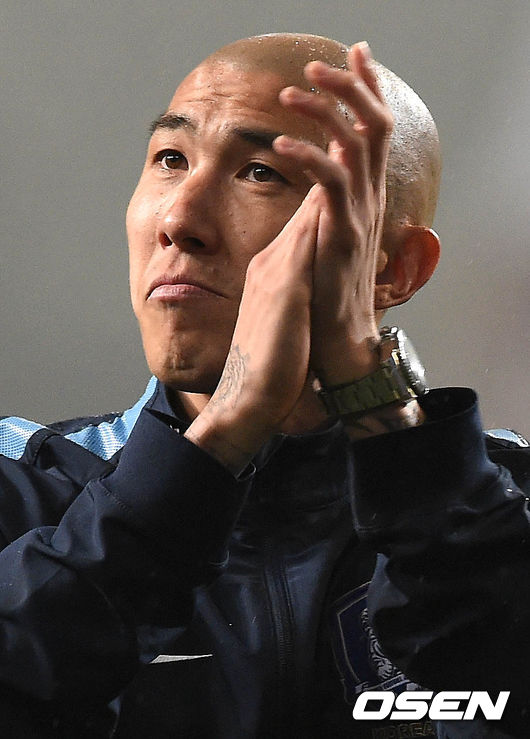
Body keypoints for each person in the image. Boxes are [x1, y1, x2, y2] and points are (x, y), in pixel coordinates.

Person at [0, 32, 528, 738]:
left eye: (260, 172)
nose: (179, 221)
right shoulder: (21, 482)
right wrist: (221, 434)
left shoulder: (499, 508)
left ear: (392, 268)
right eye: (171, 159)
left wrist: (379, 407)